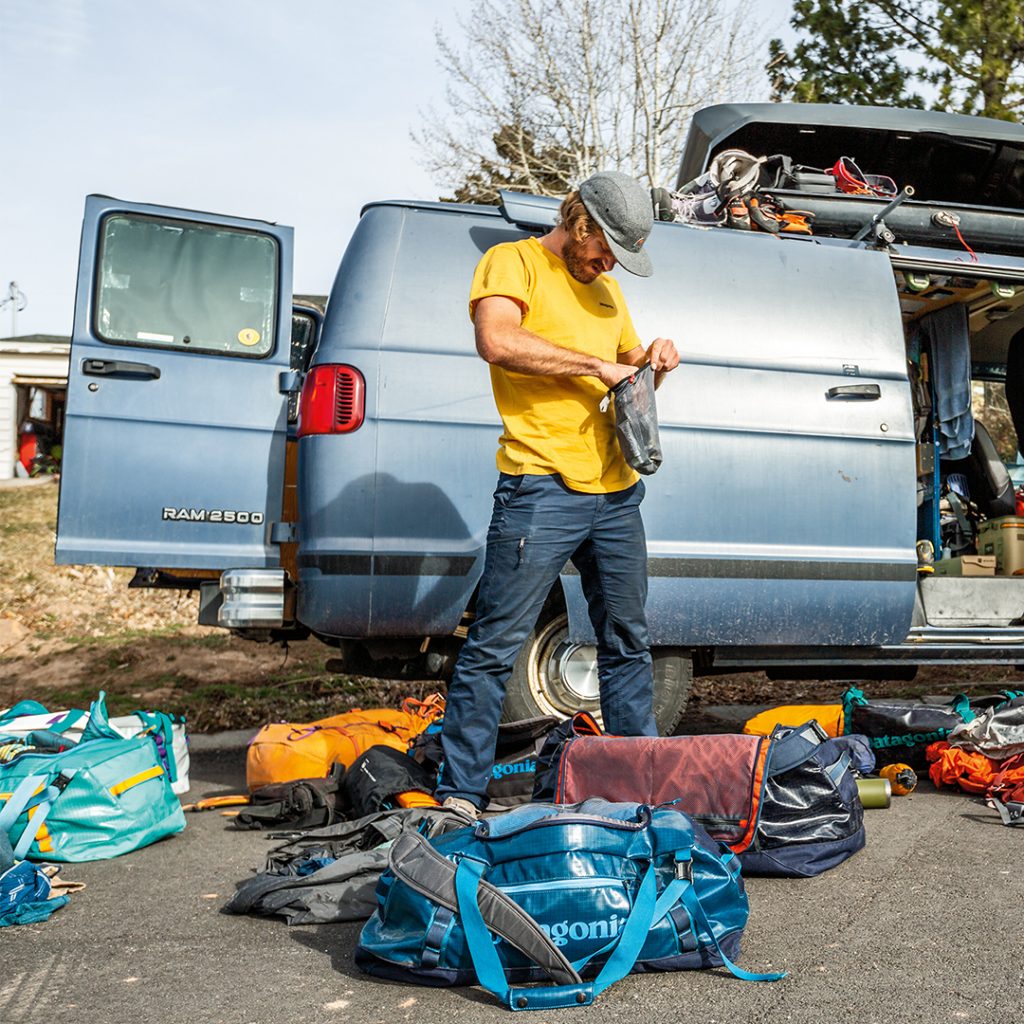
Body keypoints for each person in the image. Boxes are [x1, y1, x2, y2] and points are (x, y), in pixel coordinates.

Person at [436, 171, 680, 817]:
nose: (609, 265)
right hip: (540, 485)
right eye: (607, 249)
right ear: (580, 221)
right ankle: (461, 795)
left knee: (627, 639)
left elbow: (631, 379)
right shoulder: (512, 263)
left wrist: (652, 361)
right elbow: (497, 341)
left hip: (617, 492)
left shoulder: (608, 294)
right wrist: (594, 365)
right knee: (495, 644)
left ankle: (638, 790)